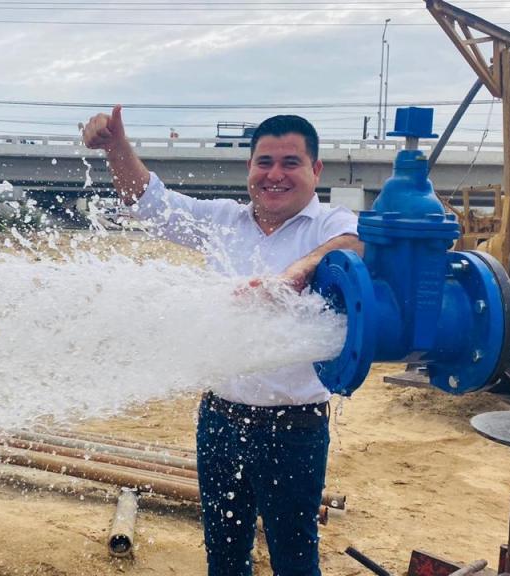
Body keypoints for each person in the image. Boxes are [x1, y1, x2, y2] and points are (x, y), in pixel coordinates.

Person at [82, 105, 361, 576]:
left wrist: (295, 274)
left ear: (315, 170)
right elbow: (148, 203)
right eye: (264, 163)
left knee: (295, 559)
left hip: (294, 429)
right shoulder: (221, 221)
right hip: (221, 421)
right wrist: (115, 148)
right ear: (249, 168)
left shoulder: (328, 224)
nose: (275, 175)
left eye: (290, 163)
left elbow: (354, 244)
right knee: (225, 555)